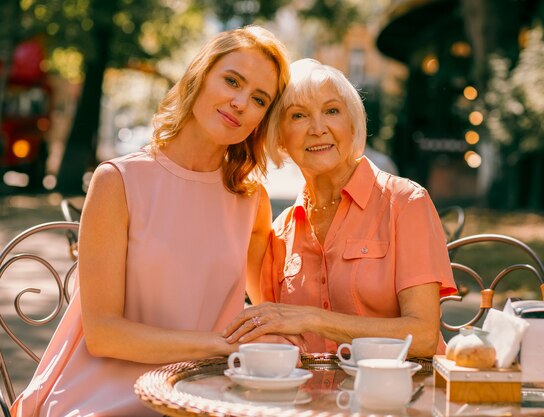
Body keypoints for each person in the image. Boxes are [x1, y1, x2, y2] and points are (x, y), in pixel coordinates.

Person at [11, 25, 290, 417]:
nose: (240, 102)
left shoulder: (251, 200)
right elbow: (104, 335)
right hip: (103, 398)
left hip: (200, 396)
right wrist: (220, 345)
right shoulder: (119, 181)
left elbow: (268, 313)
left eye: (259, 99)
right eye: (232, 80)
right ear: (200, 75)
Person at [222, 59, 457, 358]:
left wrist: (314, 320)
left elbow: (423, 336)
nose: (318, 129)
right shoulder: (281, 232)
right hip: (313, 400)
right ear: (279, 138)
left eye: (332, 111)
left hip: (400, 395)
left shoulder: (405, 202)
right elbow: (273, 329)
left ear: (352, 123)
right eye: (298, 116)